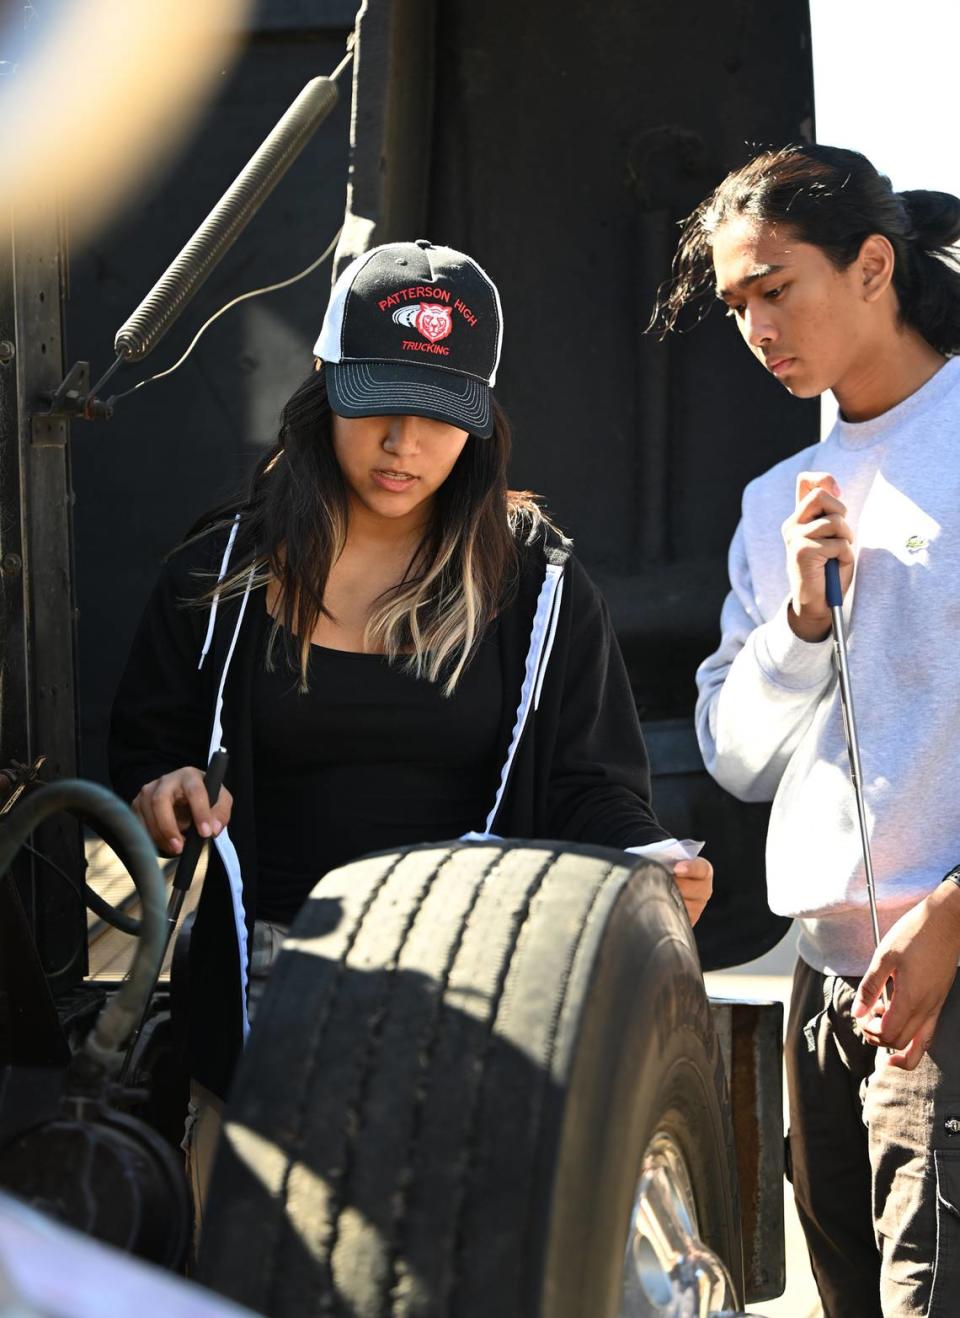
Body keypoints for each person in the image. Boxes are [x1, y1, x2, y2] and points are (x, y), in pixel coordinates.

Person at [109, 239, 713, 1228]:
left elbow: (590, 787)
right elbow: (144, 748)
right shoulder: (217, 573)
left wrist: (646, 855)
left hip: (473, 1005)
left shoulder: (538, 587)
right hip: (262, 1007)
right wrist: (163, 789)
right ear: (323, 383)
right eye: (381, 399)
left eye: (441, 414)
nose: (404, 442)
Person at [653, 142, 960, 1318]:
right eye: (736, 304)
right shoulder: (778, 497)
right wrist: (797, 613)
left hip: (942, 971)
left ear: (874, 265)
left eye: (775, 286)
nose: (755, 327)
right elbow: (732, 751)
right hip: (824, 989)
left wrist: (953, 912)